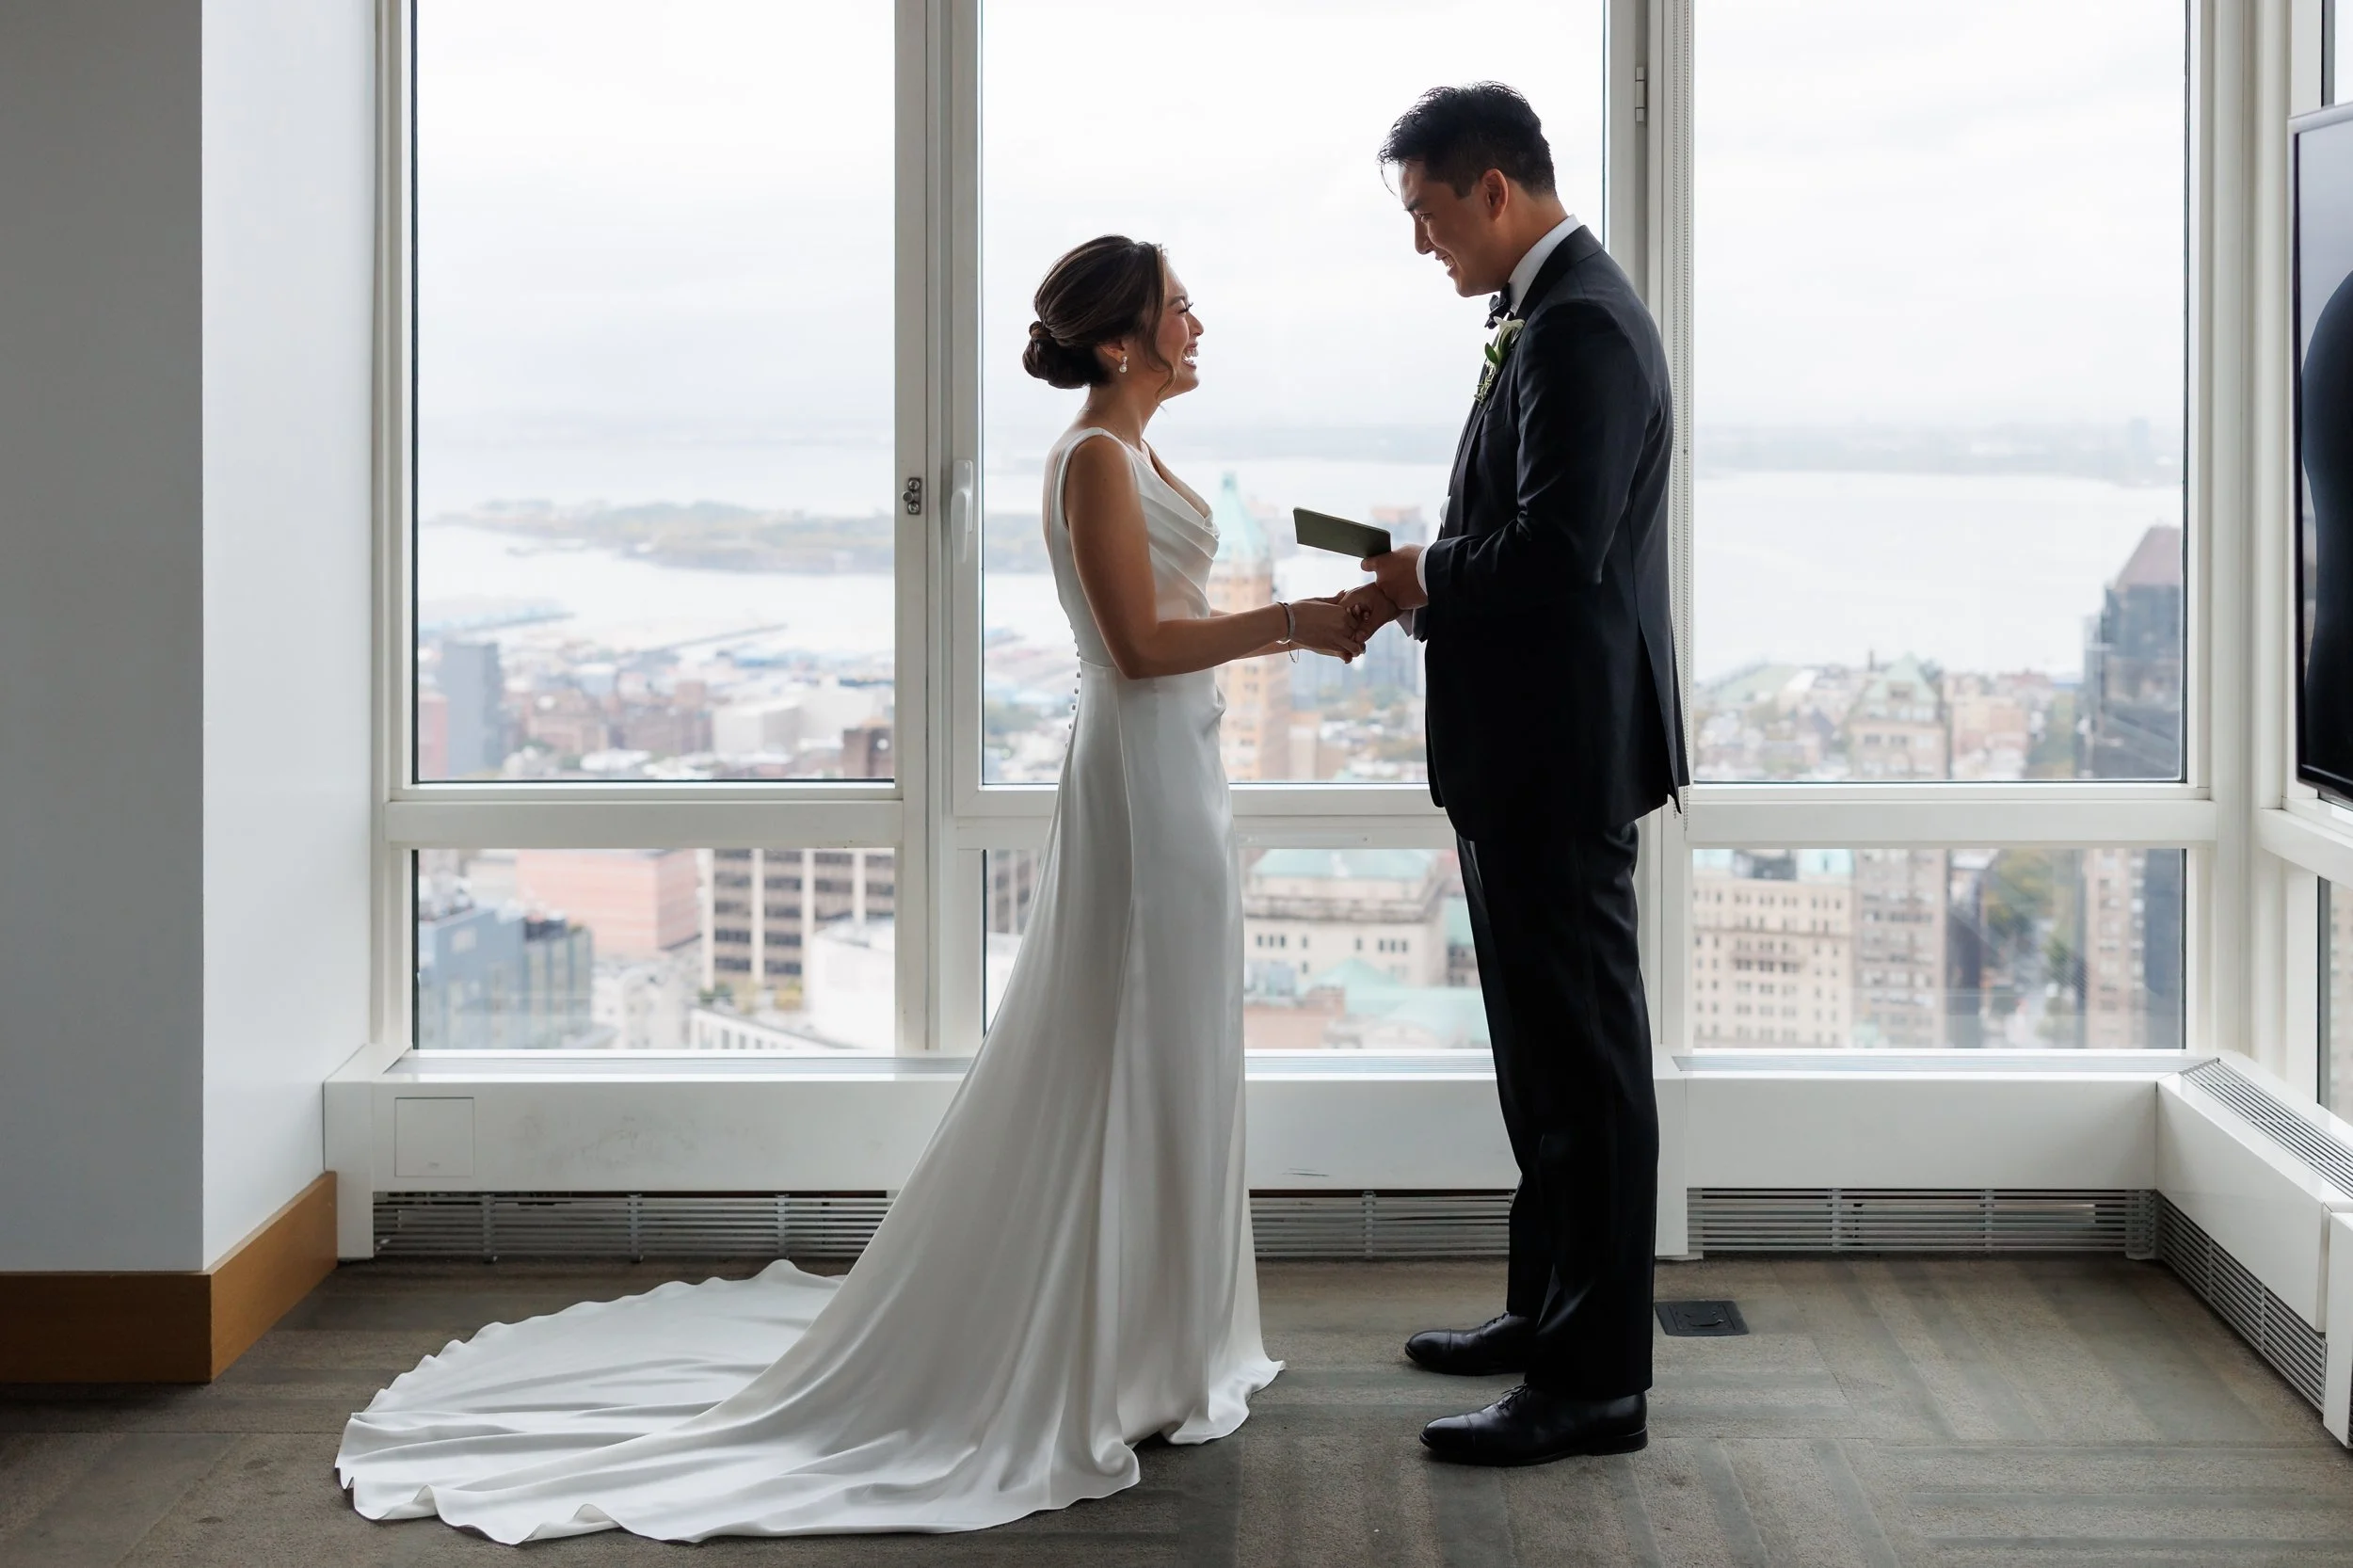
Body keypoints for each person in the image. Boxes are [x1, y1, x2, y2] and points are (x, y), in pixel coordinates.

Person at [333, 236, 1369, 1544]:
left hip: (1186, 769)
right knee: (1130, 1040)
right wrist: (1295, 622)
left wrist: (1318, 616)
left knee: (1175, 1046)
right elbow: (1136, 643)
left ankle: (1166, 1340)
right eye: (1178, 307)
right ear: (1123, 341)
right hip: (1141, 774)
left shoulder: (1143, 452)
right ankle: (1117, 1348)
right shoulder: (1095, 459)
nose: (1198, 320)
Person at [1346, 83, 1688, 1468]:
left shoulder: (1584, 327)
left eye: (1428, 216)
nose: (1423, 245)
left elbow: (1560, 553)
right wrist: (1425, 572)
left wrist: (1425, 574)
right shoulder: (1542, 318)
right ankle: (1547, 1312)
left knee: (1587, 1069)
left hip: (1559, 755)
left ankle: (1595, 1380)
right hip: (1523, 753)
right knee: (1544, 1063)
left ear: (1494, 191)